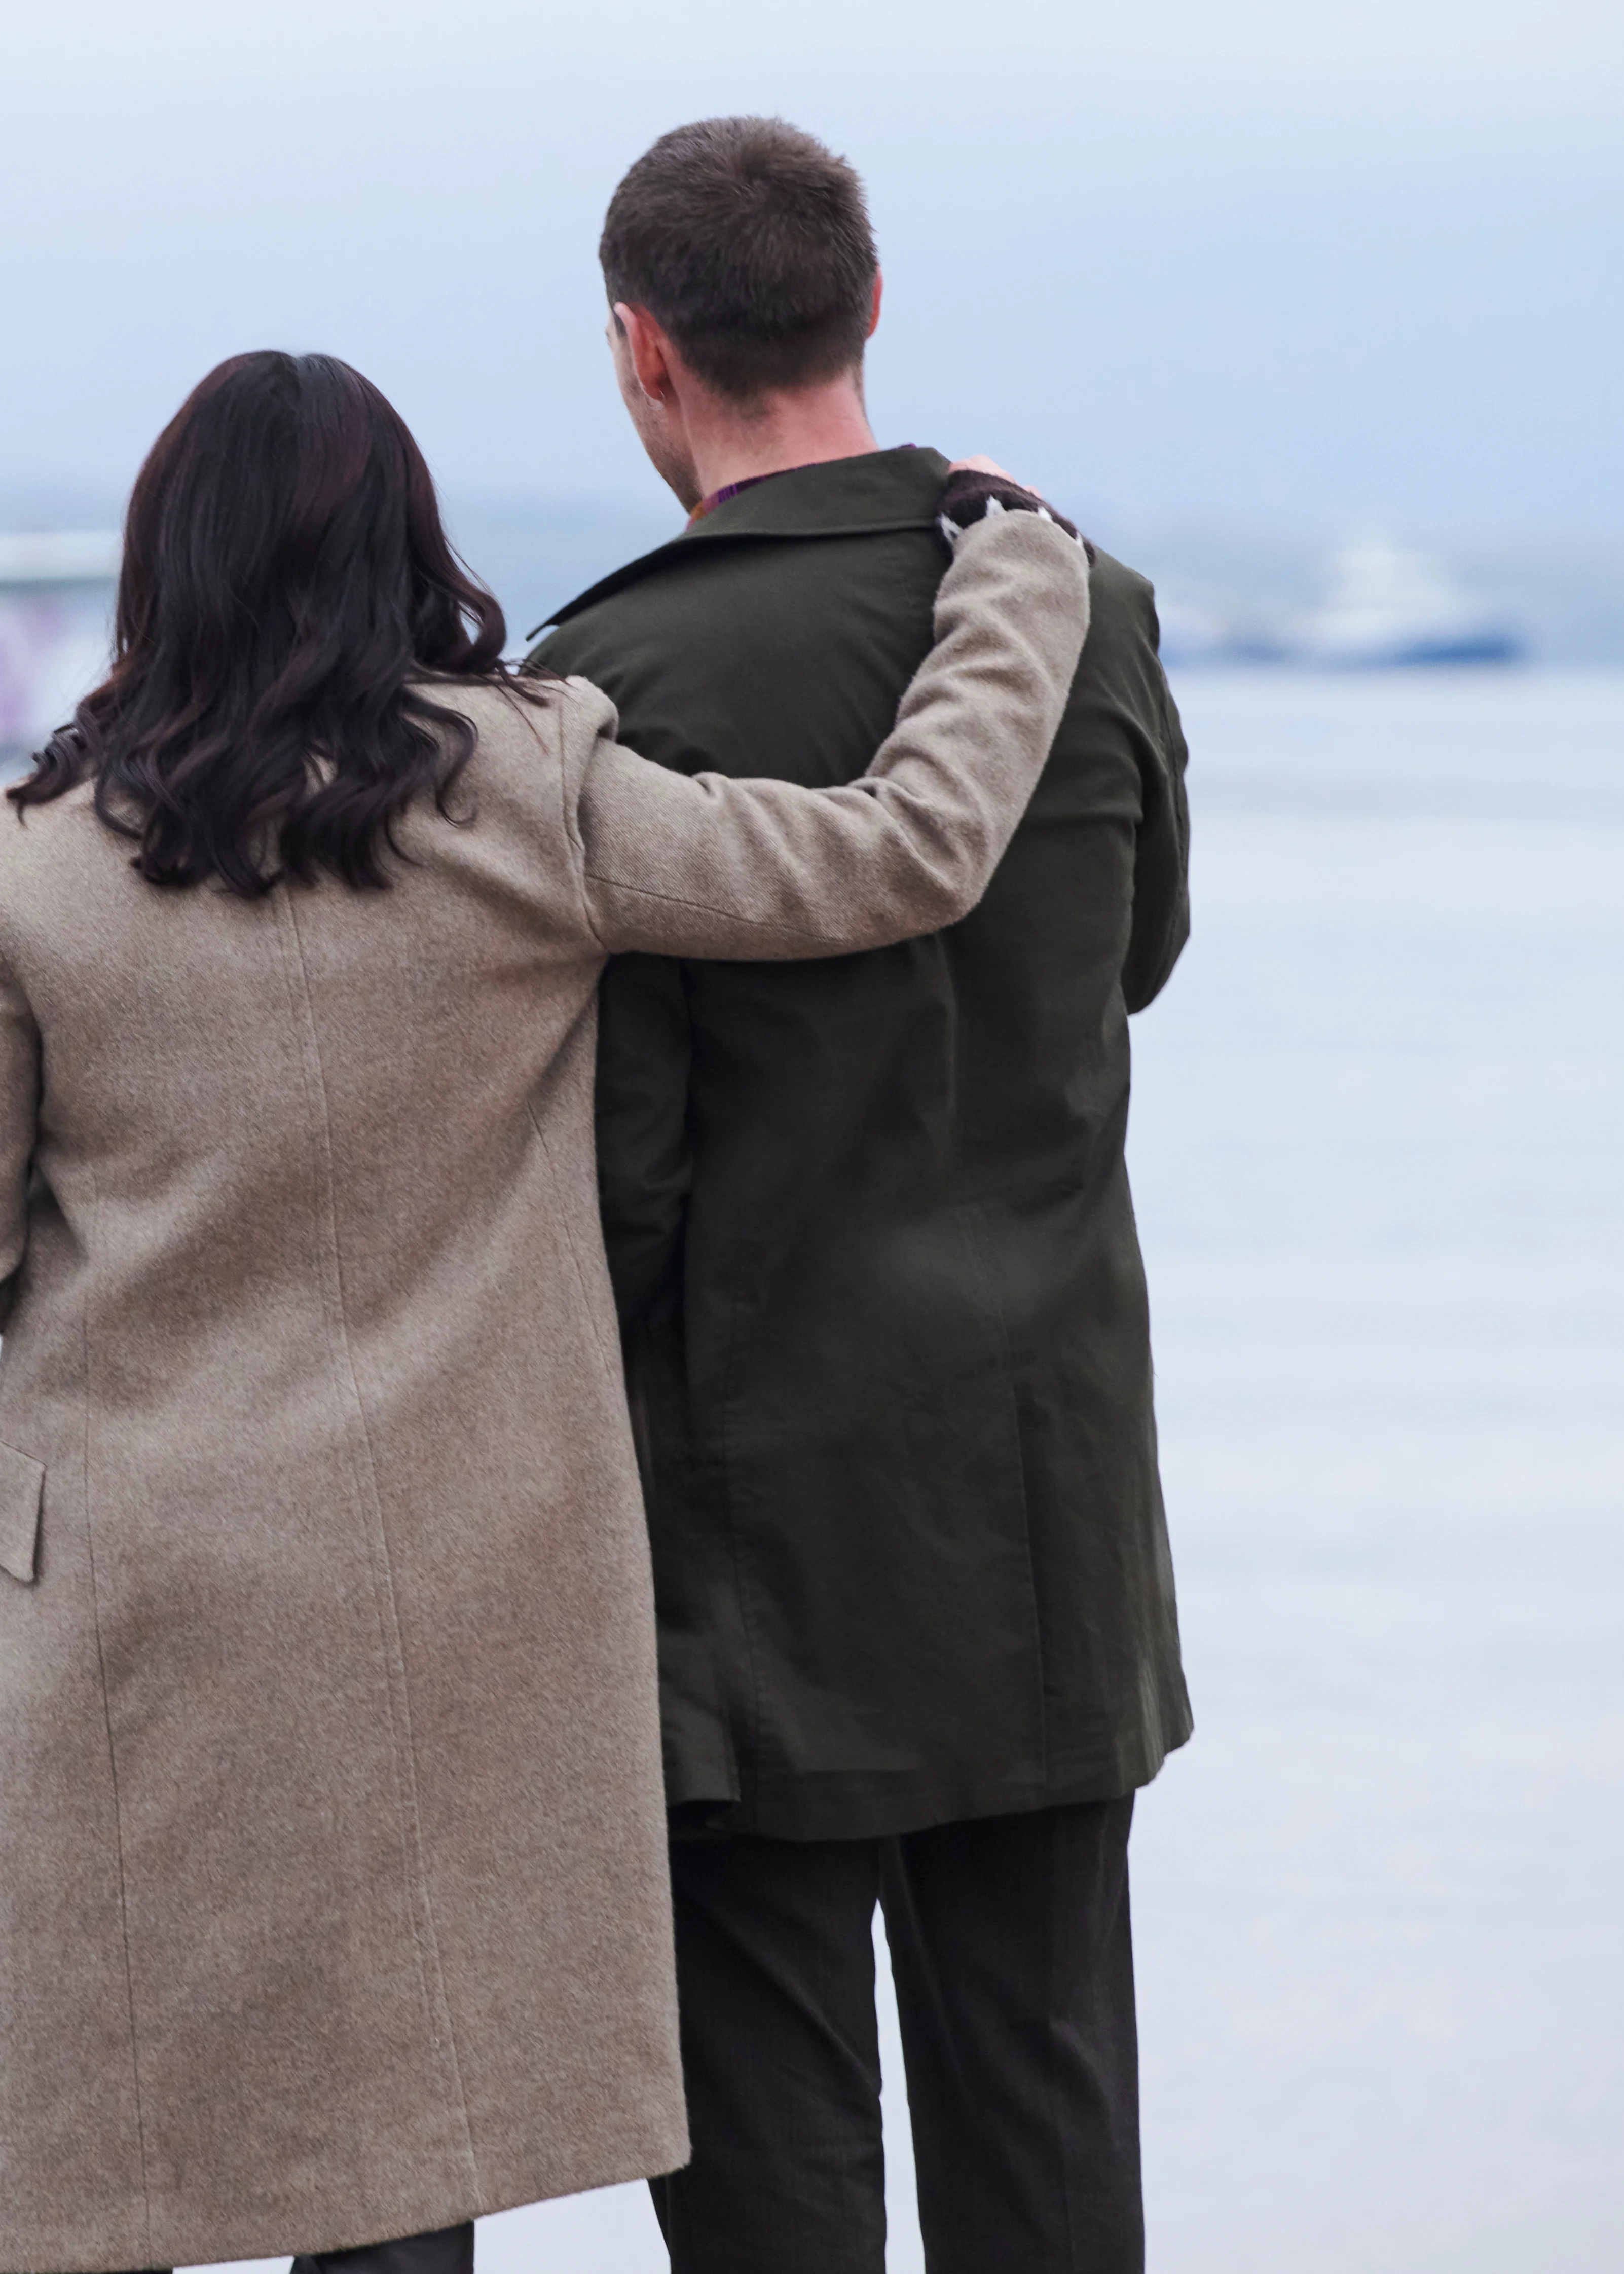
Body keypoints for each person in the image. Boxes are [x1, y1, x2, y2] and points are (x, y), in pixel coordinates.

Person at [0, 346, 1092, 2274]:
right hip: (454, 1578)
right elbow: (900, 852)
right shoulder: (528, 795)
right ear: (404, 554)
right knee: (392, 2158)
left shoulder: (16, 872)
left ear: (154, 570)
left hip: (131, 1600)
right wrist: (1015, 571)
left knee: (93, 2163)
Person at [521, 119, 1195, 2274]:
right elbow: (1137, 959)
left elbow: (615, 1160)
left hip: (740, 1534)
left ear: (641, 351)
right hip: (1037, 1494)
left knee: (769, 2157)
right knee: (1048, 2123)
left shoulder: (611, 684)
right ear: (869, 307)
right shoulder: (1081, 610)